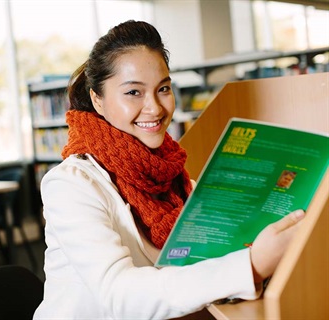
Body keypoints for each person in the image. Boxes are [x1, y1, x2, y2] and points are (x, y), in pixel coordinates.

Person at [33, 20, 305, 319]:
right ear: (98, 100)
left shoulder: (173, 174)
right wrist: (252, 264)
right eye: (133, 92)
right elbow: (119, 294)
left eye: (163, 88)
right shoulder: (70, 184)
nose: (155, 108)